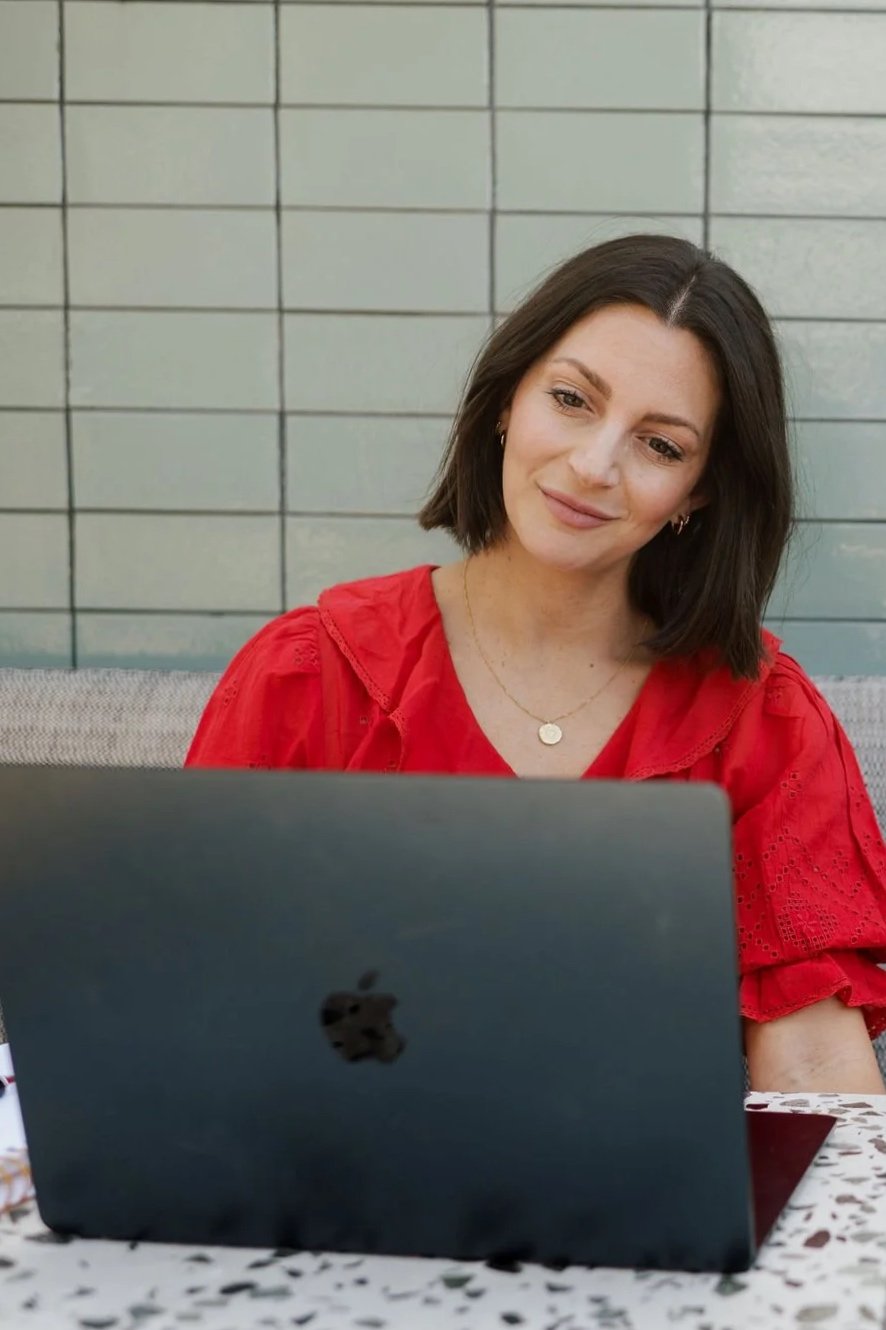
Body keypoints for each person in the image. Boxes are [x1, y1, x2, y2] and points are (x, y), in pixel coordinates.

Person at [186, 234, 886, 1093]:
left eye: (660, 446)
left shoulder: (765, 723)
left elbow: (813, 1060)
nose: (593, 466)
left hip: (645, 1207)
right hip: (343, 1187)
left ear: (697, 493)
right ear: (508, 401)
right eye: (571, 399)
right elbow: (200, 986)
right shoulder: (309, 674)